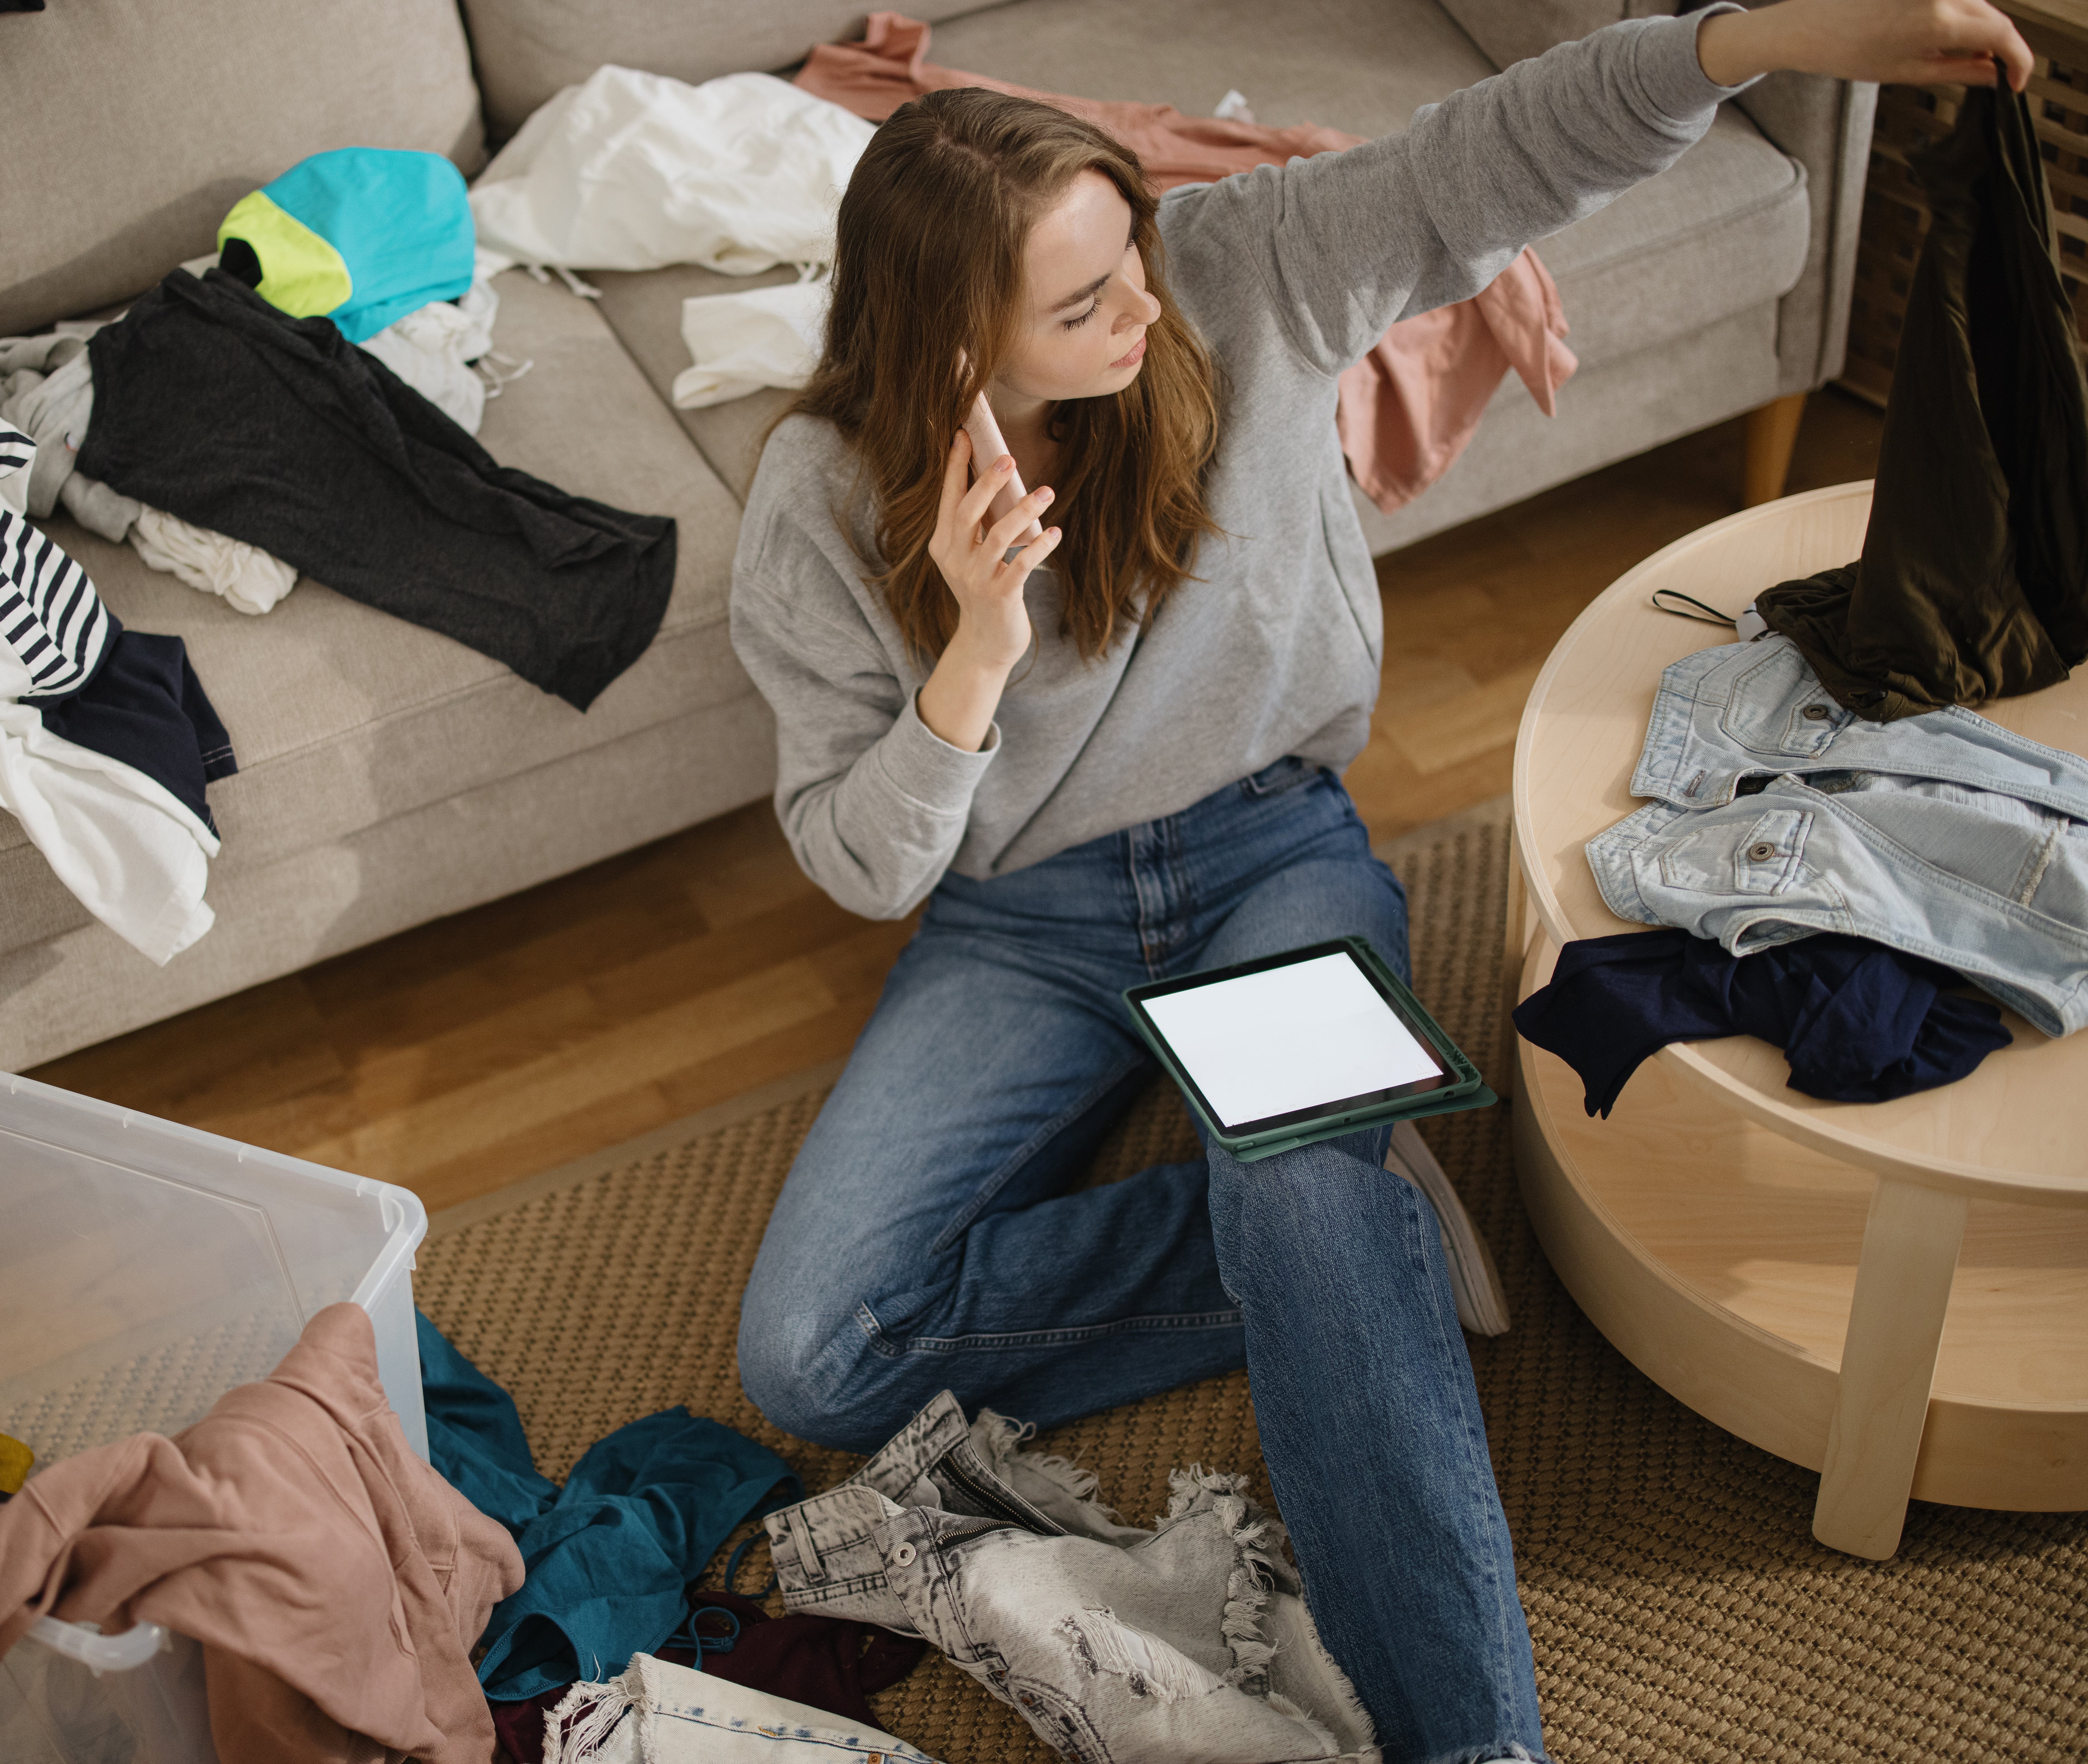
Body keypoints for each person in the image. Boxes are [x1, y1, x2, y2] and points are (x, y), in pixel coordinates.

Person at [727, 3, 2032, 1759]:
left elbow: (1502, 151)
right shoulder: (817, 496)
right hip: (1016, 916)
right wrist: (970, 653)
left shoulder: (1241, 275)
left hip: (1269, 853)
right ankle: (1346, 1224)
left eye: (1131, 261)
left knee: (1299, 1187)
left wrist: (1758, 36)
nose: (1142, 312)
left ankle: (1470, 1728)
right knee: (817, 1348)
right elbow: (862, 863)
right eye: (1084, 305)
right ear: (954, 339)